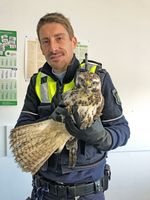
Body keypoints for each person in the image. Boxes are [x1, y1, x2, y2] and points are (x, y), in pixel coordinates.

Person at [16, 12, 130, 200]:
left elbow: (122, 131)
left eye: (59, 38)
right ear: (41, 48)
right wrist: (51, 122)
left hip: (87, 192)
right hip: (45, 191)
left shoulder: (98, 77)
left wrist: (101, 137)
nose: (53, 47)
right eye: (45, 41)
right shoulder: (37, 82)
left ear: (73, 41)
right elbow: (22, 131)